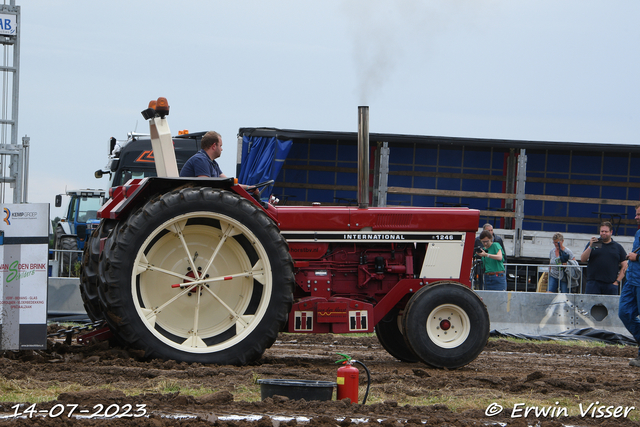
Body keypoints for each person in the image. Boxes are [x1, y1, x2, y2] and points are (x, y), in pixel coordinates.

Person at [580, 221, 627, 295]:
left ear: (611, 232)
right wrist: (590, 246)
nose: (604, 233)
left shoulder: (617, 247)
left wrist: (617, 281)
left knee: (610, 306)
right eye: (602, 231)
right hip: (593, 283)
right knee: (591, 306)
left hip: (610, 284)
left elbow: (625, 265)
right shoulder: (595, 243)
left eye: (606, 231)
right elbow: (583, 259)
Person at [620, 204, 640, 367]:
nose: (636, 217)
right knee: (624, 313)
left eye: (639, 214)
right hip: (632, 281)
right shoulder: (639, 233)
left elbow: (637, 256)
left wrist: (637, 258)